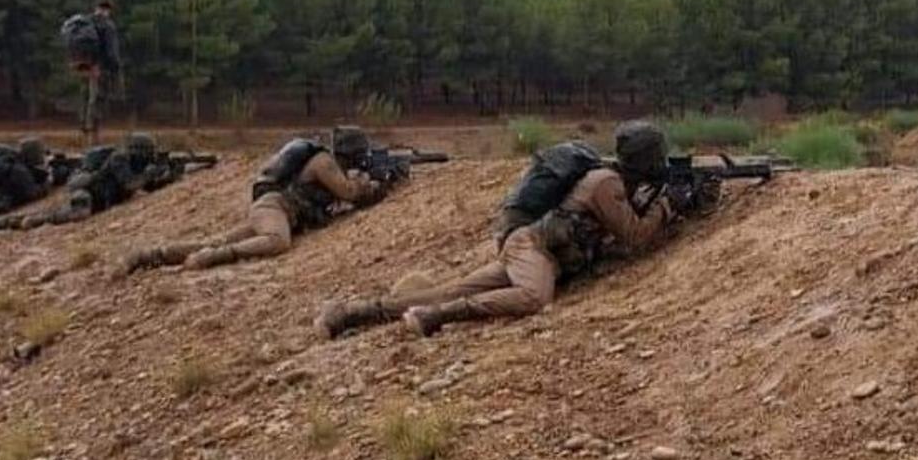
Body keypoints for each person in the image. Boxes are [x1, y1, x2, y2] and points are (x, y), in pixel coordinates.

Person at [313, 121, 689, 340]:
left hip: (529, 248)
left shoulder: (611, 179)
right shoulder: (606, 182)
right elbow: (635, 235)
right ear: (648, 159)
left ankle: (348, 314)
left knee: (445, 288)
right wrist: (669, 204)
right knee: (532, 297)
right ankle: (437, 317)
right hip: (534, 250)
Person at [124, 126, 387, 273]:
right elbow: (349, 193)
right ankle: (211, 258)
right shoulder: (324, 162)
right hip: (276, 208)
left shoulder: (328, 161)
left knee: (215, 239)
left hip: (274, 210)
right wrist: (369, 182)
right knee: (276, 242)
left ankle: (154, 255)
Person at [0, 133, 183, 232]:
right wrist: (150, 173)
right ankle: (0, 223)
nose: (151, 155)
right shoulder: (119, 158)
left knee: (61, 214)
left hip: (100, 201)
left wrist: (169, 176)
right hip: (87, 195)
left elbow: (146, 187)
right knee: (67, 215)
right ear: (139, 150)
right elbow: (130, 184)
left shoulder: (135, 165)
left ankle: (10, 222)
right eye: (149, 151)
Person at [82, 0, 122, 145]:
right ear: (108, 9)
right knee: (98, 101)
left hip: (85, 68)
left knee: (89, 100)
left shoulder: (86, 23)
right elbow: (112, 52)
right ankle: (95, 139)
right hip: (101, 69)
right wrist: (116, 68)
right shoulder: (107, 26)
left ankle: (87, 134)